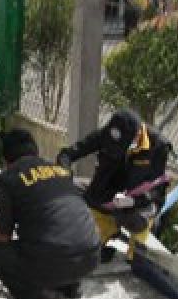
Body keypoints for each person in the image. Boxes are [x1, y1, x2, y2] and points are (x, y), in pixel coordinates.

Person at [0, 129, 101, 299]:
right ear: (36, 152)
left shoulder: (7, 179)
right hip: (90, 257)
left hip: (54, 260)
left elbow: (2, 238)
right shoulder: (61, 171)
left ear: (6, 161)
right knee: (51, 242)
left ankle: (36, 297)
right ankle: (70, 287)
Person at [58, 109, 171, 261]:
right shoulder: (106, 134)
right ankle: (108, 232)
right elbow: (67, 154)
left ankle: (138, 244)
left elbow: (157, 190)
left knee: (136, 259)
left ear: (137, 135)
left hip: (139, 204)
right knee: (66, 189)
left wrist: (133, 201)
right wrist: (64, 173)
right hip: (109, 196)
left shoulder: (158, 146)